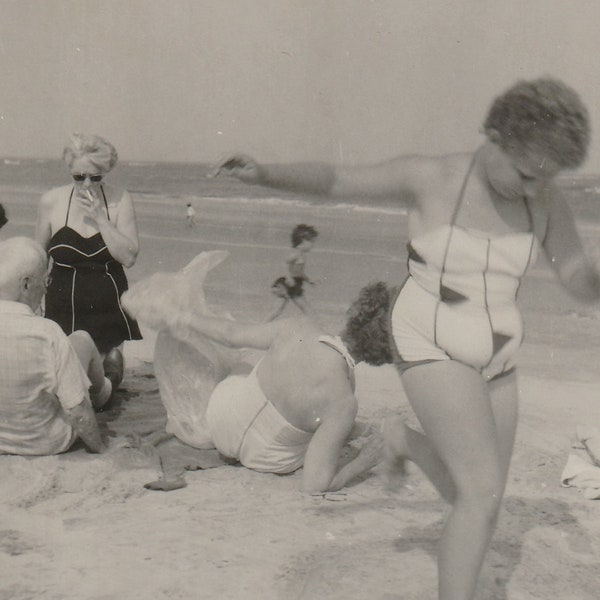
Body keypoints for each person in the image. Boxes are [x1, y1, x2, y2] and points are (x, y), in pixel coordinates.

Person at [210, 78, 600, 599]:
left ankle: (405, 442)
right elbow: (336, 181)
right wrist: (263, 174)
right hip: (430, 334)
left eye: (547, 178)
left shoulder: (547, 200)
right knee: (480, 492)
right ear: (496, 136)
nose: (535, 189)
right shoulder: (430, 177)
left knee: (481, 494)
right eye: (528, 173)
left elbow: (576, 276)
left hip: (500, 346)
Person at [123, 278, 394, 494]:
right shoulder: (344, 400)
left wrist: (183, 317)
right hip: (264, 460)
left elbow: (230, 335)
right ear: (384, 354)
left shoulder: (299, 327)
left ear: (356, 312)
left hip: (219, 419)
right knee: (323, 423)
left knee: (250, 358)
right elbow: (313, 486)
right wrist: (365, 460)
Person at [36, 133, 142, 390]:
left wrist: (101, 219)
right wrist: (32, 302)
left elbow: (128, 257)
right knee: (64, 380)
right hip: (61, 302)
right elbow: (38, 257)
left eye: (95, 178)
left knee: (104, 383)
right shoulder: (51, 201)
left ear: (105, 172)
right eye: (78, 177)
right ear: (69, 170)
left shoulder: (120, 200)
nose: (86, 184)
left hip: (107, 304)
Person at [0, 237, 109, 456]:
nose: (46, 288)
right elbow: (78, 410)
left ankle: (106, 383)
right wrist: (100, 449)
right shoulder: (47, 333)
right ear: (26, 284)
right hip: (44, 440)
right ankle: (105, 388)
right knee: (82, 340)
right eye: (45, 280)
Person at [267, 223, 318, 321]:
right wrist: (288, 277)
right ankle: (313, 327)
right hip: (289, 285)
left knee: (277, 310)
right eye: (312, 242)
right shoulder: (296, 253)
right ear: (303, 241)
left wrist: (309, 280)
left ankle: (262, 326)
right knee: (307, 309)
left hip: (292, 284)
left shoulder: (301, 254)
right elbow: (285, 263)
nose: (313, 245)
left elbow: (299, 272)